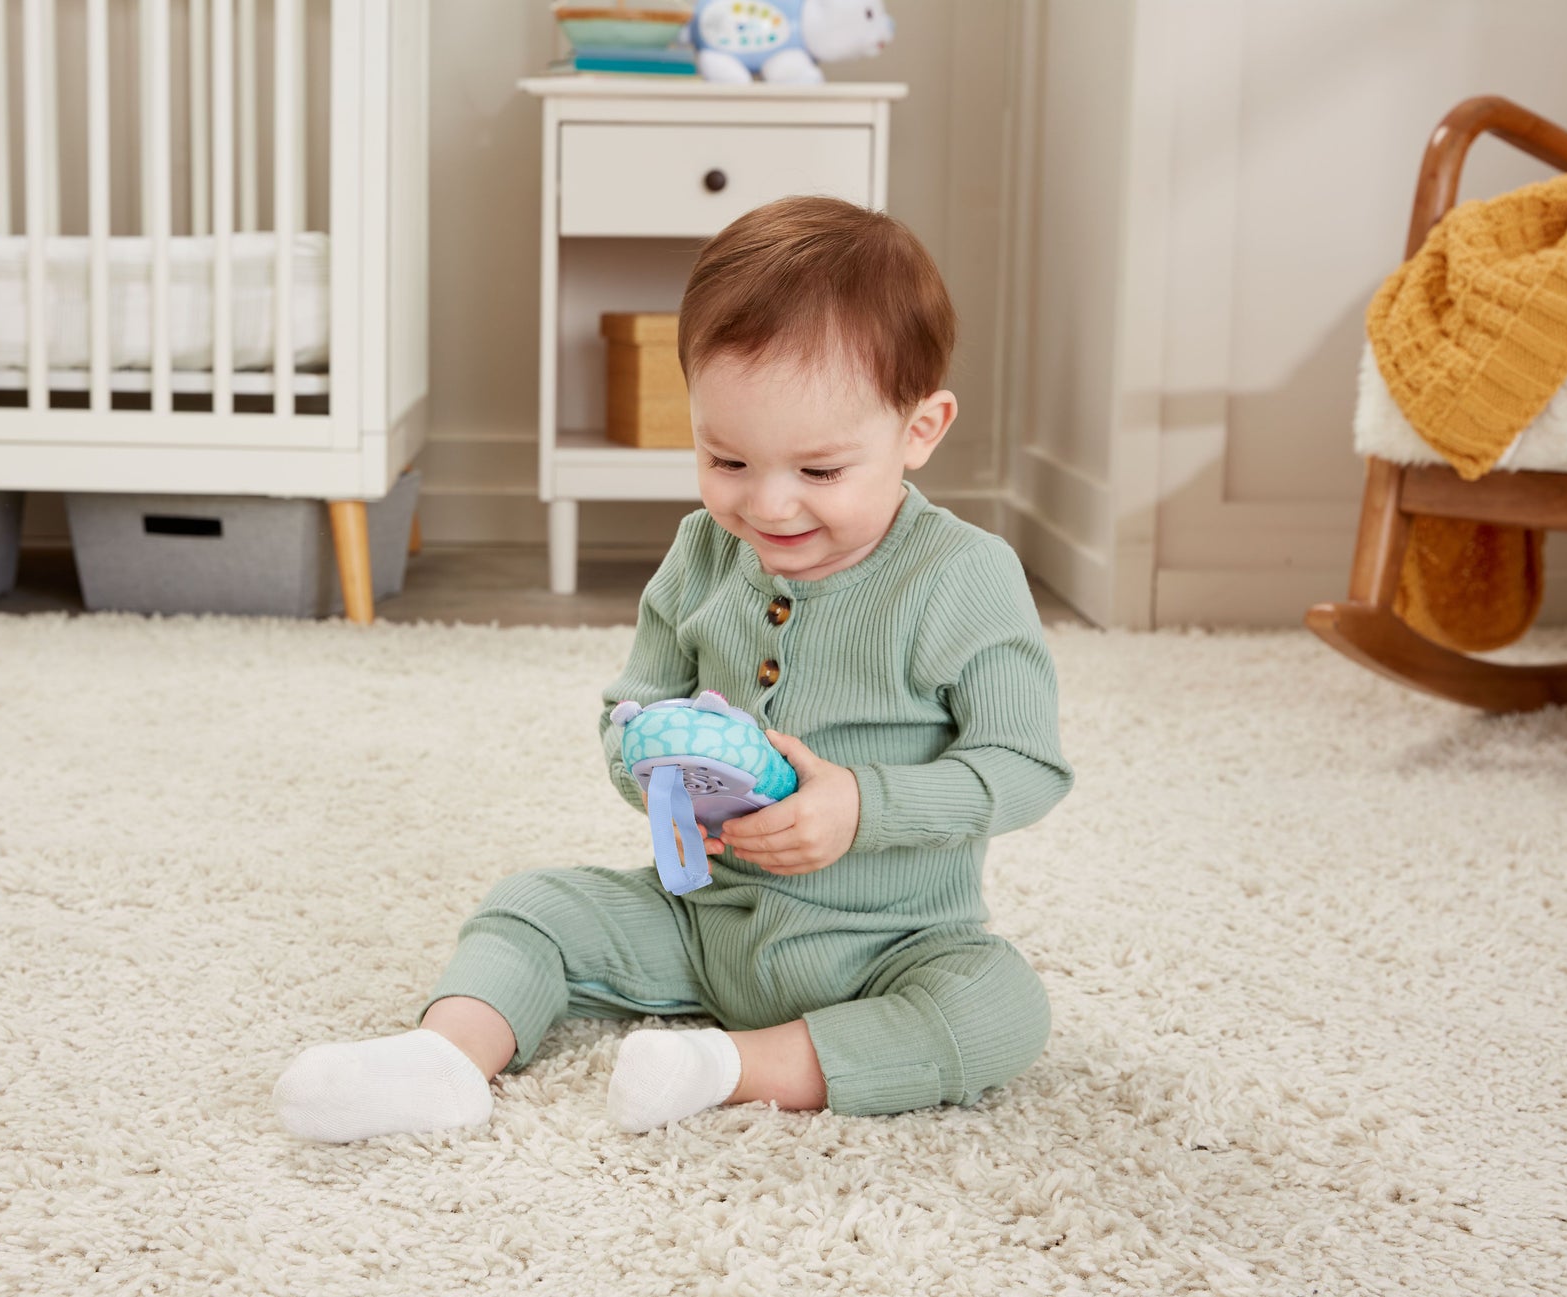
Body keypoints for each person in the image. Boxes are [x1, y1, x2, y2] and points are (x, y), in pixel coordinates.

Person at [273, 195, 1073, 1141]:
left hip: (890, 946)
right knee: (533, 903)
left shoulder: (964, 575)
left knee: (1000, 1004)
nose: (769, 505)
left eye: (820, 472)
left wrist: (863, 806)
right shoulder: (702, 553)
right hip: (702, 917)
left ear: (920, 428)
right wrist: (651, 765)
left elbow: (1026, 765)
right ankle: (444, 1059)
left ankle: (732, 1067)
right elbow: (632, 705)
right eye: (727, 459)